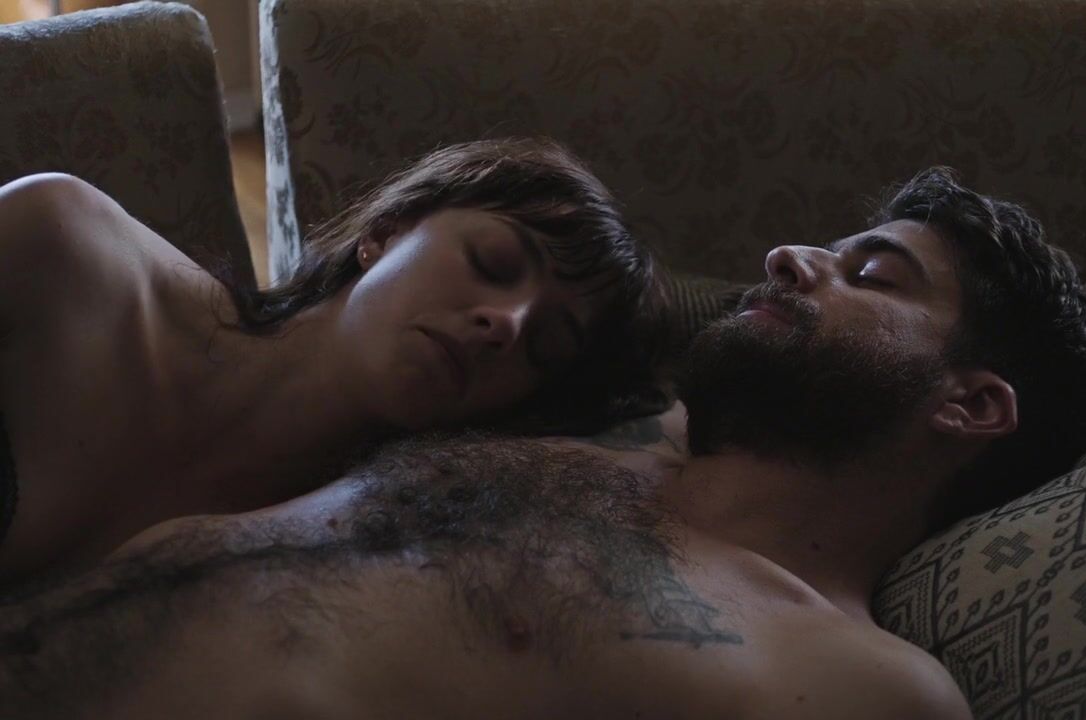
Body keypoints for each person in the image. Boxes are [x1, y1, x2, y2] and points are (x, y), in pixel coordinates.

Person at [0, 168, 1086, 719]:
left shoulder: (858, 681)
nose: (789, 257)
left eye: (872, 274)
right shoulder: (588, 429)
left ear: (972, 406)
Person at [0, 137, 667, 588]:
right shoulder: (63, 247)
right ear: (386, 231)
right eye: (492, 263)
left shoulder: (359, 552)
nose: (507, 324)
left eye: (546, 346)